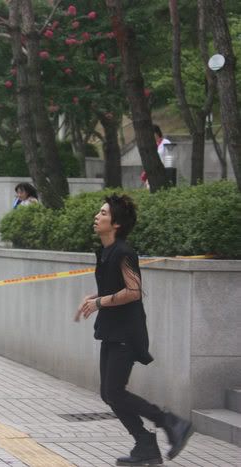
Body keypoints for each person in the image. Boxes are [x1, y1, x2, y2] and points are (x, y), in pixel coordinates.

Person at [74, 194, 192, 466]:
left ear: (115, 224)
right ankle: (146, 444)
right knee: (109, 393)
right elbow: (113, 289)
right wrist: (92, 298)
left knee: (114, 391)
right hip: (113, 329)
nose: (97, 216)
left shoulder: (124, 252)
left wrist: (99, 302)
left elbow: (134, 291)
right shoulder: (105, 252)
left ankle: (170, 424)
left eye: (103, 213)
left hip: (126, 332)